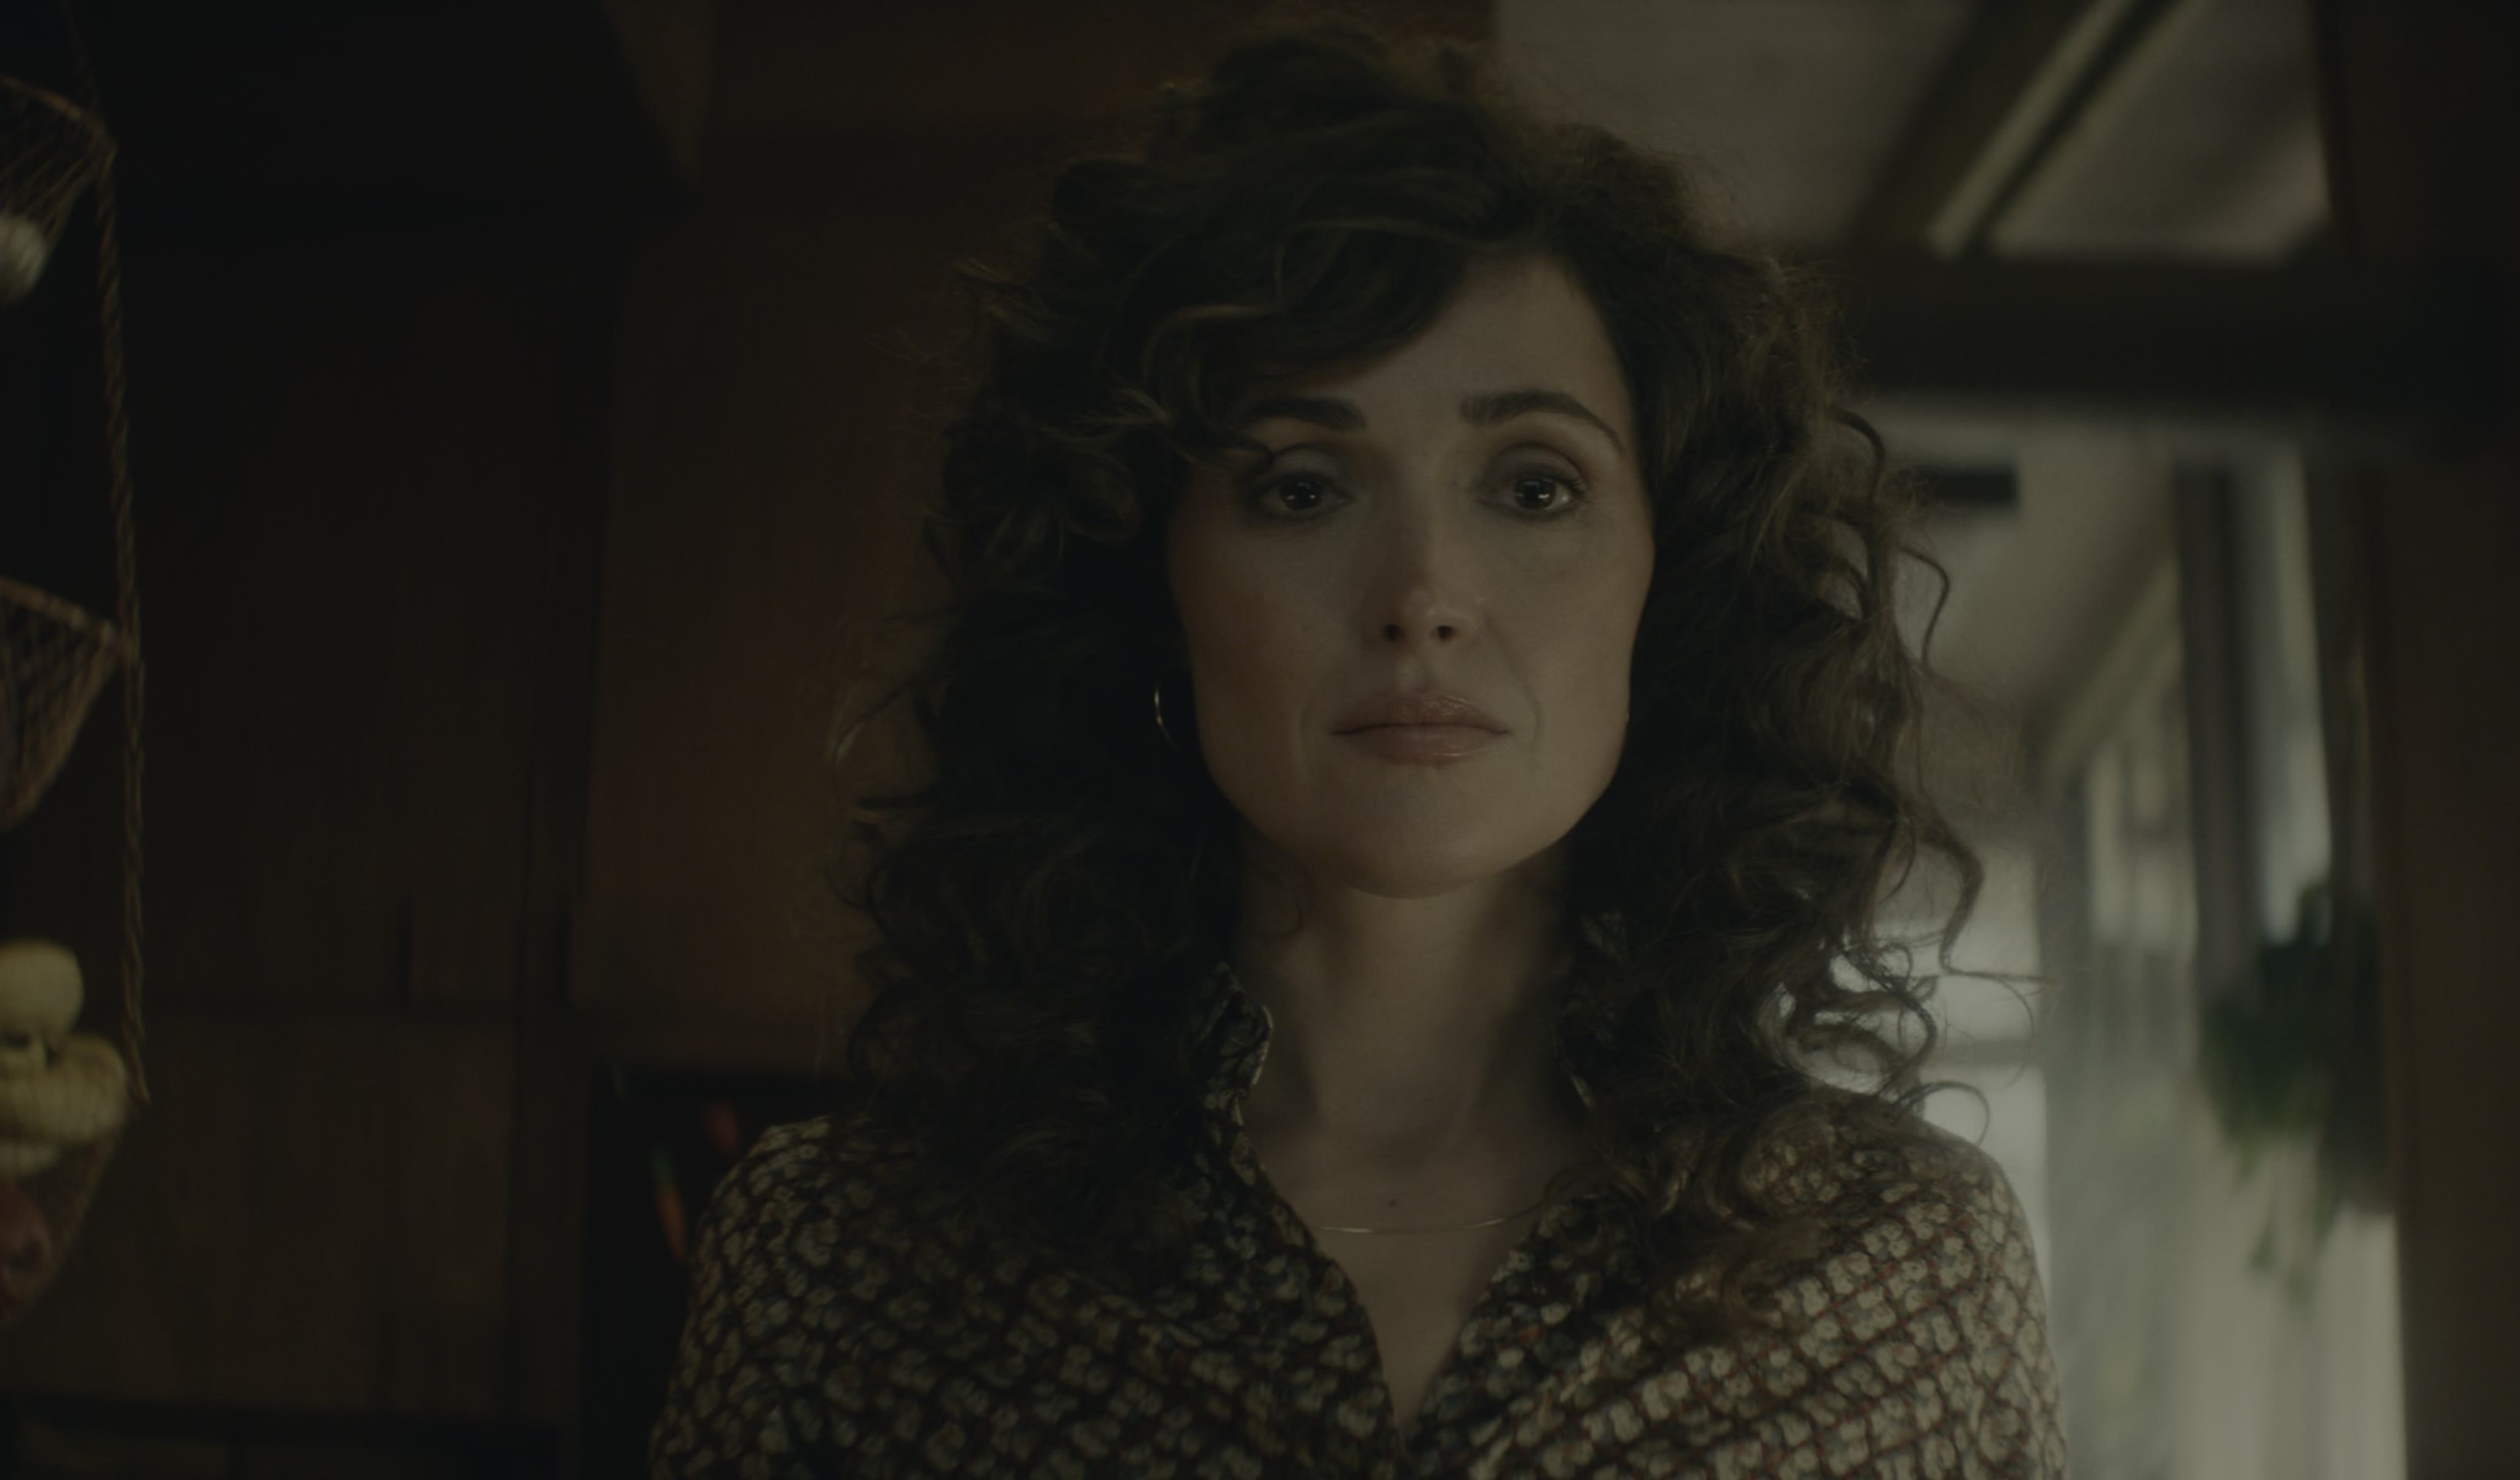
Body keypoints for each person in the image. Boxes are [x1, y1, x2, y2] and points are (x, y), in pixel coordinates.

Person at [650, 15, 2065, 1478]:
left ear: (1672, 581)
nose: (1421, 597)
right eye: (1301, 488)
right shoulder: (843, 1264)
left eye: (1533, 486)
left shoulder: (1908, 1272)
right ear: (1150, 585)